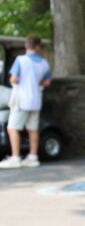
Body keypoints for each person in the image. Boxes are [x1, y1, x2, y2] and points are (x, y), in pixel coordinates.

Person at [0, 36, 51, 169]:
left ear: (26, 46)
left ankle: (15, 157)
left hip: (21, 99)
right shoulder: (44, 63)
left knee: (12, 128)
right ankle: (33, 157)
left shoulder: (21, 60)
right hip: (36, 99)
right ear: (38, 47)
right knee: (32, 129)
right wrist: (36, 83)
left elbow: (13, 79)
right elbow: (47, 82)